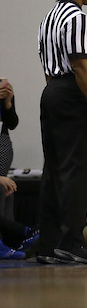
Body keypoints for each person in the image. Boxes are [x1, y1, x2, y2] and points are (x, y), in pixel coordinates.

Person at [35, 0, 87, 265]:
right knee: (78, 172)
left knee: (53, 170)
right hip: (73, 93)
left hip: (51, 93)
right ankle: (71, 242)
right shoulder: (78, 18)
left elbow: (48, 70)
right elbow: (80, 65)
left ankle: (49, 245)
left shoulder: (48, 19)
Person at [0, 79, 18, 220]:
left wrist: (8, 102)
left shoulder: (4, 89)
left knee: (6, 189)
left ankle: (8, 234)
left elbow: (12, 124)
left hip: (3, 140)